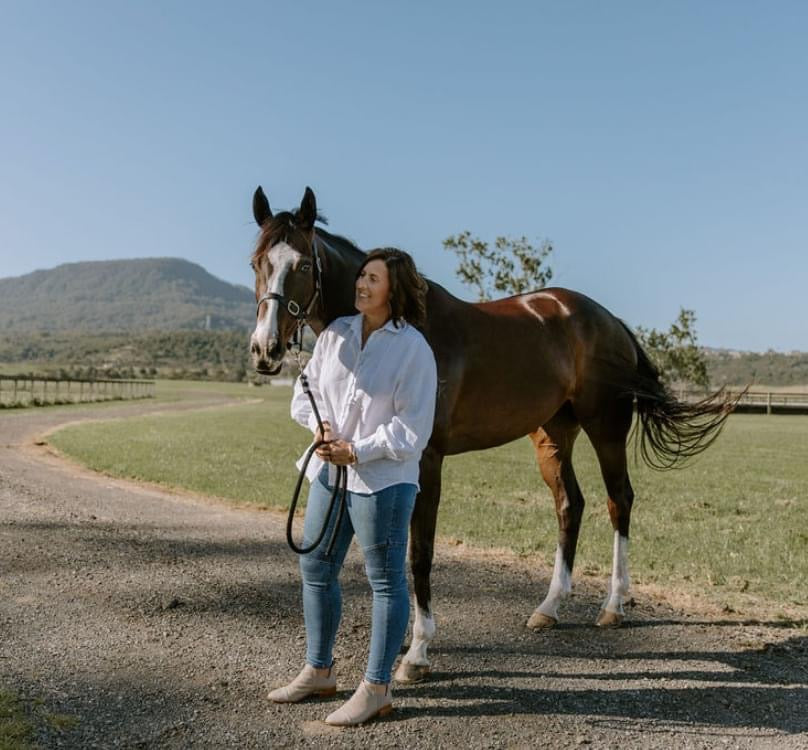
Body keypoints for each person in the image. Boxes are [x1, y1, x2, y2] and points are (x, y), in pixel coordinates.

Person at [268, 248, 437, 726]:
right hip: (329, 473)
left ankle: (377, 688)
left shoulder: (413, 349)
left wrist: (357, 450)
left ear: (394, 289)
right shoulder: (335, 334)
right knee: (316, 566)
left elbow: (413, 429)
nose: (362, 284)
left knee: (384, 582)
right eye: (362, 276)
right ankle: (319, 671)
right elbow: (306, 394)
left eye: (374, 279)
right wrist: (319, 427)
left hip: (383, 482)